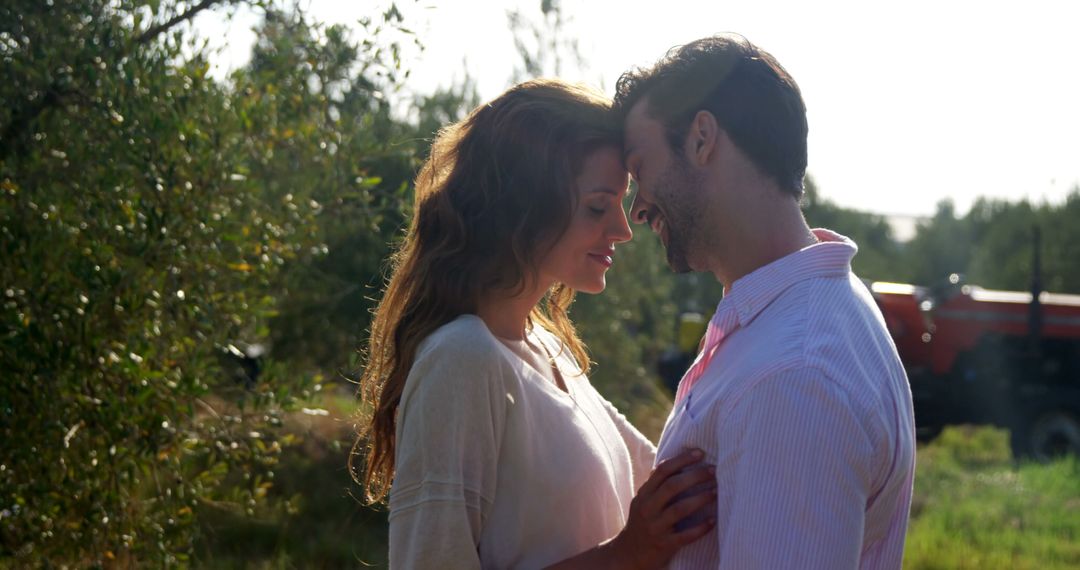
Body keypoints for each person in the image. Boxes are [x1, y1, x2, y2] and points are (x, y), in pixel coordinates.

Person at [352, 79, 716, 570]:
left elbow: (664, 482)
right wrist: (627, 554)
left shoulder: (548, 348)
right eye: (597, 206)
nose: (623, 230)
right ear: (527, 202)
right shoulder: (461, 359)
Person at [614, 35, 916, 569]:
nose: (637, 209)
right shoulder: (813, 308)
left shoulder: (793, 373)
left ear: (702, 138)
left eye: (642, 171)